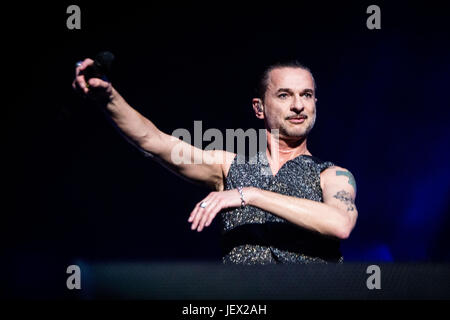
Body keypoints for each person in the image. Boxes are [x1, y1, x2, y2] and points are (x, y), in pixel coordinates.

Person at [72, 59, 358, 264]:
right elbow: (153, 141)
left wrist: (251, 195)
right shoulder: (230, 165)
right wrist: (109, 98)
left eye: (306, 95)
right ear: (259, 108)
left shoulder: (332, 175)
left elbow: (340, 223)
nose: (298, 105)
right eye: (284, 95)